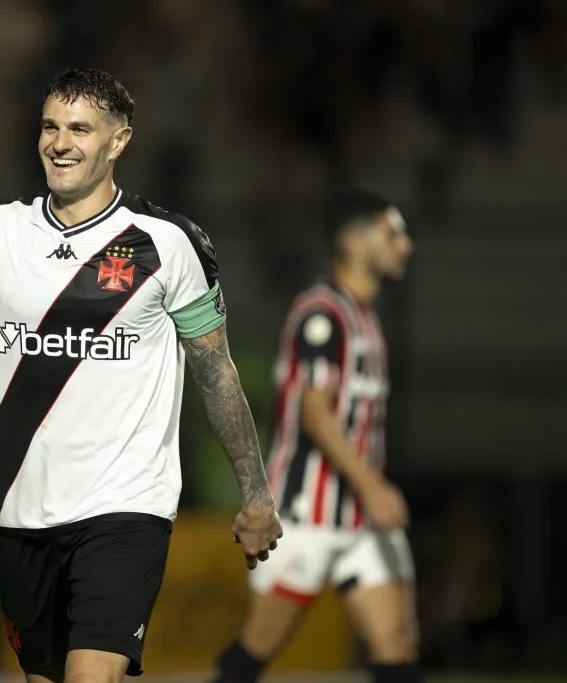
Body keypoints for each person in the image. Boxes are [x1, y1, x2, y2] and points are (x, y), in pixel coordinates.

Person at [0, 68, 282, 683]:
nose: (60, 143)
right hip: (21, 510)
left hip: (126, 508)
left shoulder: (166, 244)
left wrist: (255, 496)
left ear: (118, 141)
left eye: (79, 129)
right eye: (50, 127)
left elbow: (216, 374)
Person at [210, 190, 421, 683]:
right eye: (392, 233)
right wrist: (373, 486)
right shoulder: (322, 315)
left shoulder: (365, 316)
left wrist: (367, 493)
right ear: (353, 241)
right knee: (258, 646)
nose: (405, 245)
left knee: (397, 644)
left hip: (361, 519)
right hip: (307, 513)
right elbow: (316, 415)